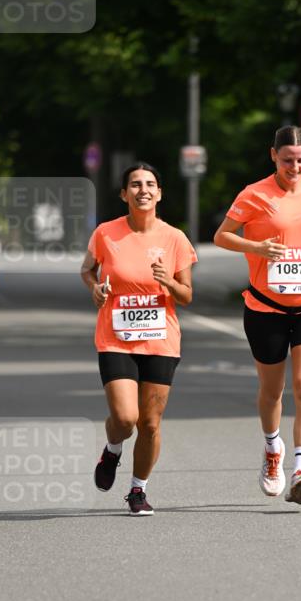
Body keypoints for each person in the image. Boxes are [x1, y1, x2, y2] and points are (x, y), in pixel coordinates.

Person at [214, 125, 301, 505]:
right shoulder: (254, 195)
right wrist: (256, 246)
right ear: (273, 156)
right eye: (287, 160)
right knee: (273, 391)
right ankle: (273, 451)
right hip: (265, 307)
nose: (295, 167)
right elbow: (222, 235)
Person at [81, 162, 197, 516]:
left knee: (149, 423)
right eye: (134, 184)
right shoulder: (106, 233)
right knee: (126, 417)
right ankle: (113, 448)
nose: (142, 190)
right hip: (116, 338)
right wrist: (96, 288)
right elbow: (87, 270)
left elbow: (186, 295)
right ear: (123, 194)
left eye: (150, 184)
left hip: (160, 341)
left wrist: (168, 282)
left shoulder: (175, 238)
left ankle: (138, 490)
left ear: (159, 193)